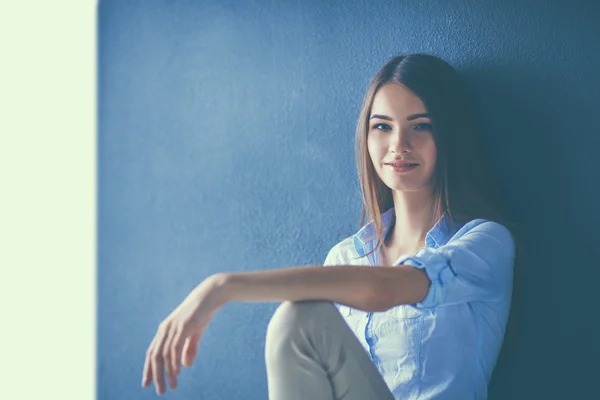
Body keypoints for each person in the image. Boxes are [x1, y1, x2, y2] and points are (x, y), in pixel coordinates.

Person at [141, 53, 518, 399]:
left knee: (301, 318)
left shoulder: (484, 244)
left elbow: (383, 290)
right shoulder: (346, 256)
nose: (398, 144)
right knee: (297, 320)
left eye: (421, 126)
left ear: (448, 134)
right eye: (382, 126)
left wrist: (221, 286)